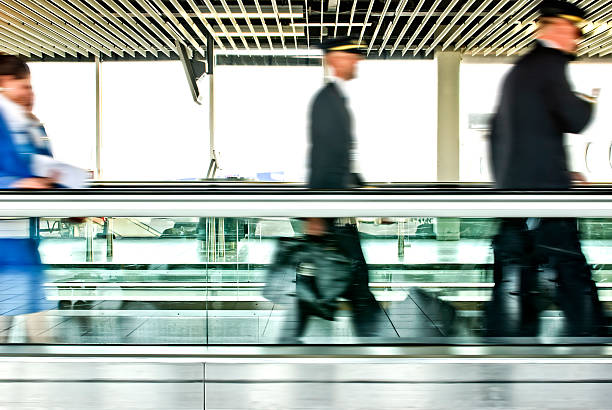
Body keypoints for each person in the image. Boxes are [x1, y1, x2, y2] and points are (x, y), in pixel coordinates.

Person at [487, 0, 606, 336]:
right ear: (556, 27)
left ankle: (513, 345)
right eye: (575, 30)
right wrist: (590, 100)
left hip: (516, 195)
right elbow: (575, 119)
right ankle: (594, 346)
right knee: (571, 274)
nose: (578, 38)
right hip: (547, 197)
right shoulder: (550, 65)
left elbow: (501, 134)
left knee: (518, 276)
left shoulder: (519, 70)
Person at [282, 37, 382, 340]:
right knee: (354, 285)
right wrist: (316, 214)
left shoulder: (335, 100)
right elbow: (322, 158)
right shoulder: (327, 101)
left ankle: (289, 342)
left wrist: (366, 191)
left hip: (334, 215)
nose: (358, 60)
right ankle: (376, 348)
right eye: (351, 55)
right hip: (332, 217)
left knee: (333, 283)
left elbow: (340, 161)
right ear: (333, 59)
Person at [0, 55, 58, 342]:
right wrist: (15, 184)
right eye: (21, 85)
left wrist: (65, 187)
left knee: (41, 334)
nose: (28, 93)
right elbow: (24, 179)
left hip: (23, 246)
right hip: (6, 246)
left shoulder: (33, 128)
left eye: (30, 86)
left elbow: (44, 170)